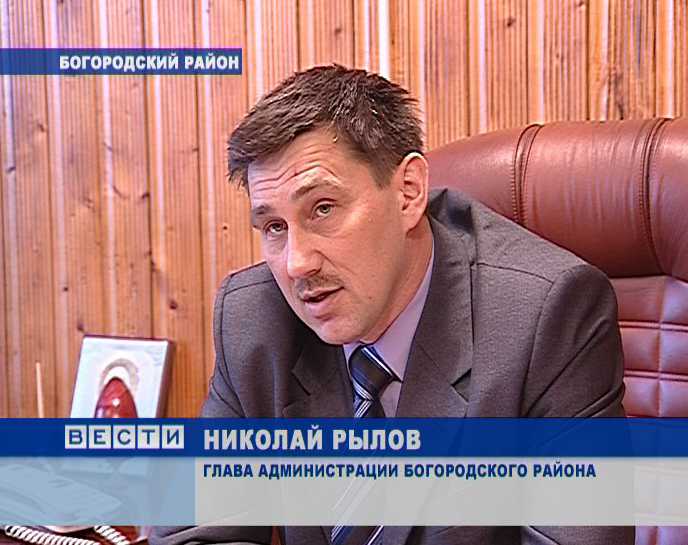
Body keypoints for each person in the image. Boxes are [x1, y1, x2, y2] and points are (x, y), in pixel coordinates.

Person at [152, 65, 633, 545]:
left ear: (408, 193)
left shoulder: (546, 314)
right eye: (274, 227)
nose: (297, 264)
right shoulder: (253, 319)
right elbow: (196, 532)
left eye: (323, 208)